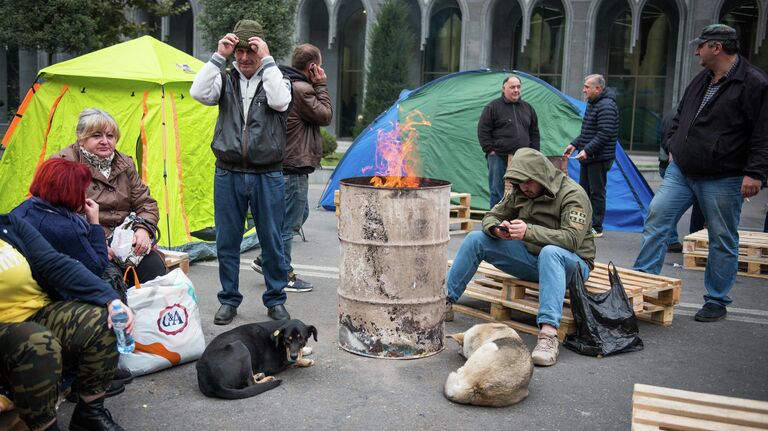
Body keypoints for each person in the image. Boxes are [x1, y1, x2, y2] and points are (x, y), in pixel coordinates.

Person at [633, 24, 768, 322]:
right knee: (657, 217)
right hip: (681, 170)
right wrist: (672, 144)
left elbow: (763, 133)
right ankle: (643, 284)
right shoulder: (701, 79)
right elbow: (680, 114)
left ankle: (717, 300)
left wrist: (755, 173)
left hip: (724, 176)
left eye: (701, 46)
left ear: (717, 47)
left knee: (721, 236)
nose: (696, 51)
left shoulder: (754, 83)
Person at [445, 148, 595, 367]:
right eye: (520, 183)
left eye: (528, 182)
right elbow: (492, 215)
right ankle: (446, 302)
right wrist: (496, 229)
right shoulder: (519, 191)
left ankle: (548, 335)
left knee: (551, 252)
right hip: (534, 258)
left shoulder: (573, 195)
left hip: (573, 265)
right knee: (476, 238)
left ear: (541, 176)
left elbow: (572, 240)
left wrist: (529, 232)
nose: (524, 187)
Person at [190, 19, 293, 324]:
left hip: (268, 173)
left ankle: (275, 300)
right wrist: (218, 56)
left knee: (272, 240)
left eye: (252, 52)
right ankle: (229, 299)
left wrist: (269, 61)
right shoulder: (224, 79)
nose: (245, 58)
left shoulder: (277, 78)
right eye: (240, 52)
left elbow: (280, 101)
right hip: (228, 172)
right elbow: (198, 92)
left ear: (261, 51)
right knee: (227, 240)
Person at [0, 212, 133, 431]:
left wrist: (111, 299)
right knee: (38, 342)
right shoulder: (51, 219)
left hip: (38, 311)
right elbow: (96, 261)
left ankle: (89, 414)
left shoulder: (8, 224)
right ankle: (46, 427)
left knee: (103, 321)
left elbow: (56, 263)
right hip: (7, 330)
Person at [251, 43, 333, 292]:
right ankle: (283, 274)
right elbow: (326, 115)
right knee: (288, 225)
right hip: (293, 166)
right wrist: (320, 85)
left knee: (299, 215)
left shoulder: (286, 82)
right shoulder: (303, 89)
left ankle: (266, 259)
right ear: (313, 66)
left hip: (285, 164)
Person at [52, 108, 166, 285]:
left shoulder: (124, 163)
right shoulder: (65, 163)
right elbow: (60, 216)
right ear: (81, 138)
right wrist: (95, 244)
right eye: (97, 136)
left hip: (124, 240)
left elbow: (145, 203)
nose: (105, 141)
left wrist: (143, 229)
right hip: (85, 240)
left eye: (110, 136)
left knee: (155, 269)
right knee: (110, 279)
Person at [12, 158, 108, 276]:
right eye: (82, 190)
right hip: (51, 289)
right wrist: (94, 223)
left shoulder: (25, 207)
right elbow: (97, 268)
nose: (85, 195)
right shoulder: (65, 229)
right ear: (69, 192)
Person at [563, 74, 619, 238]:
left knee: (596, 192)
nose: (583, 90)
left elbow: (604, 133)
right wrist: (574, 144)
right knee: (584, 192)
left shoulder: (606, 106)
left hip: (599, 158)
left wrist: (587, 150)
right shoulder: (593, 104)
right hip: (590, 157)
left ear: (598, 88)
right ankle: (585, 224)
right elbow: (588, 132)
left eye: (587, 87)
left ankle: (597, 227)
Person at [477, 75, 540, 208]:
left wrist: (534, 153)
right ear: (503, 88)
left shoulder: (528, 108)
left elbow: (534, 132)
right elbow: (483, 130)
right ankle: (495, 222)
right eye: (512, 87)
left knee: (523, 190)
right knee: (497, 191)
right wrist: (490, 150)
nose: (516, 90)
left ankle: (517, 220)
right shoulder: (493, 107)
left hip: (522, 158)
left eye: (518, 87)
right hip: (498, 156)